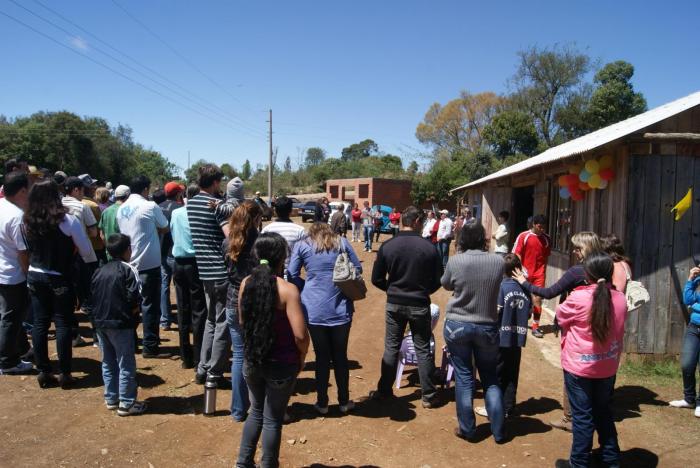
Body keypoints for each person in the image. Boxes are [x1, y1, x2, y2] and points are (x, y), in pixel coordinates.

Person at [513, 231, 602, 432]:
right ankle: (590, 413)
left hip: (577, 327)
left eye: (578, 248)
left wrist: (524, 283)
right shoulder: (603, 269)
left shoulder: (578, 272)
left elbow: (549, 292)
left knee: (573, 372)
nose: (574, 252)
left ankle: (570, 417)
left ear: (585, 249)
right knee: (594, 371)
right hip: (599, 326)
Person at [235, 233, 310, 468]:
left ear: (256, 256)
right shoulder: (288, 291)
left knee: (255, 411)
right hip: (282, 363)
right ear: (282, 259)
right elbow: (300, 335)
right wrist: (302, 357)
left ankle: (243, 463)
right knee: (273, 419)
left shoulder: (246, 283)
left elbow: (242, 321)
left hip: (253, 360)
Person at [554, 253, 627, 468]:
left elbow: (560, 317)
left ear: (588, 274)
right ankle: (610, 458)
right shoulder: (620, 298)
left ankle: (578, 463)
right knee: (603, 411)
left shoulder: (579, 297)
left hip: (579, 368)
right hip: (607, 366)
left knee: (583, 417)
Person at [369, 206, 442, 408]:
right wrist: (424, 291)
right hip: (419, 304)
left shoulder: (388, 246)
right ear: (417, 221)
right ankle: (428, 395)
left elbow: (376, 278)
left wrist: (391, 289)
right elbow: (439, 279)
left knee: (392, 347)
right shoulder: (429, 248)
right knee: (422, 348)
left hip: (395, 304)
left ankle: (384, 391)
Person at [23, 180, 93, 388]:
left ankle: (44, 370)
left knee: (40, 323)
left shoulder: (27, 220)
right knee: (63, 322)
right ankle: (65, 372)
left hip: (35, 274)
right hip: (59, 275)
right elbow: (86, 250)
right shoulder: (67, 221)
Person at [441, 223, 505, 443]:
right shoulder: (498, 261)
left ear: (463, 239)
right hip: (487, 324)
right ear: (483, 239)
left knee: (464, 376)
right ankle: (498, 430)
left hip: (458, 324)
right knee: (490, 376)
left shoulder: (456, 260)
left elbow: (446, 284)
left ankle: (467, 429)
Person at [288, 223, 361, 414]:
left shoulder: (303, 245)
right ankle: (344, 401)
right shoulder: (342, 242)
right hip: (341, 307)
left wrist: (307, 285)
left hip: (313, 307)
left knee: (321, 356)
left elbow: (292, 273)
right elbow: (358, 268)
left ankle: (322, 403)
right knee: (340, 356)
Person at [91, 234, 146, 416]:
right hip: (120, 322)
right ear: (127, 250)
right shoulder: (128, 269)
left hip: (100, 322)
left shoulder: (99, 270)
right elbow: (135, 296)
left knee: (108, 361)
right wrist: (132, 314)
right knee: (126, 362)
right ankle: (127, 402)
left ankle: (111, 398)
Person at [116, 175, 170, 358]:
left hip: (127, 263)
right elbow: (164, 226)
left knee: (130, 304)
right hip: (148, 263)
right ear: (146, 189)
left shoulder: (120, 208)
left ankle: (131, 343)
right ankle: (150, 345)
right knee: (150, 306)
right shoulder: (150, 206)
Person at [187, 164, 230, 385]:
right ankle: (215, 371)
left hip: (204, 270)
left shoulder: (191, 204)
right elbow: (230, 236)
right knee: (223, 322)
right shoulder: (215, 205)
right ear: (215, 182)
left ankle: (202, 368)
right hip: (221, 271)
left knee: (211, 320)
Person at [475, 254, 531, 420]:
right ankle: (508, 406)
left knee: (495, 374)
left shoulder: (502, 287)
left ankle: (493, 408)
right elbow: (528, 313)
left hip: (500, 338)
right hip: (517, 339)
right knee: (512, 374)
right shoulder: (525, 288)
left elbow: (495, 312)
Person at [224, 201, 262, 421]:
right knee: (256, 355)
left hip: (231, 300)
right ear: (255, 219)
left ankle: (238, 410)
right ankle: (258, 405)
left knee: (239, 355)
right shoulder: (259, 243)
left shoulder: (227, 242)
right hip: (255, 302)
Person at [170, 184, 207, 370]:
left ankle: (185, 356)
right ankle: (199, 355)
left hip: (178, 262)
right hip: (195, 262)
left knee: (183, 309)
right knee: (199, 310)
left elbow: (172, 233)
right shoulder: (199, 214)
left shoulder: (176, 213)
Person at [0, 171, 32, 375]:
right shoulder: (16, 216)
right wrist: (28, 274)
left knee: (9, 316)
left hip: (2, 271)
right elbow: (23, 252)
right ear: (21, 191)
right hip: (12, 274)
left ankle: (20, 350)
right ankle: (7, 362)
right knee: (11, 318)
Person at [63, 176, 99, 347]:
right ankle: (98, 336)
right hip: (84, 256)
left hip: (64, 258)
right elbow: (93, 233)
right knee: (89, 296)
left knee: (68, 298)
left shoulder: (57, 206)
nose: (84, 192)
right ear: (76, 190)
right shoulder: (82, 206)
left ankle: (73, 335)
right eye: (83, 189)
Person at [513, 214, 551, 338]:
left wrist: (542, 271)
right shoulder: (524, 236)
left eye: (544, 227)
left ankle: (536, 326)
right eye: (540, 226)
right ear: (534, 224)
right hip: (524, 273)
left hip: (539, 274)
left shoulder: (547, 239)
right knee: (521, 298)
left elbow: (545, 257)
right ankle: (518, 322)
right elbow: (517, 253)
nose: (542, 229)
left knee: (538, 299)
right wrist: (521, 268)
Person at [669, 265, 700, 417]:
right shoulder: (697, 279)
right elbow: (688, 299)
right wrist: (690, 279)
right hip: (694, 328)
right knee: (687, 364)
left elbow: (693, 302)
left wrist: (695, 305)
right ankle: (689, 399)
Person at [159, 182, 184, 331]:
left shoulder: (158, 207)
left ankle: (165, 320)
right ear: (177, 193)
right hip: (175, 252)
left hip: (161, 251)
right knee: (179, 286)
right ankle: (182, 319)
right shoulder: (180, 208)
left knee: (164, 286)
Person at [261, 195, 306, 277]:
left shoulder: (266, 230)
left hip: (270, 278)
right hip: (292, 279)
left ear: (275, 210)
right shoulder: (300, 231)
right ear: (291, 211)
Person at [80, 174, 107, 265]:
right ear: (86, 189)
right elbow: (100, 229)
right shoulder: (93, 205)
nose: (95, 188)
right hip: (95, 247)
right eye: (92, 186)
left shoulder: (74, 202)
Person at [99, 185, 129, 261]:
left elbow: (102, 235)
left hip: (110, 254)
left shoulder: (106, 211)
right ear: (127, 196)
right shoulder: (127, 211)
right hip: (124, 255)